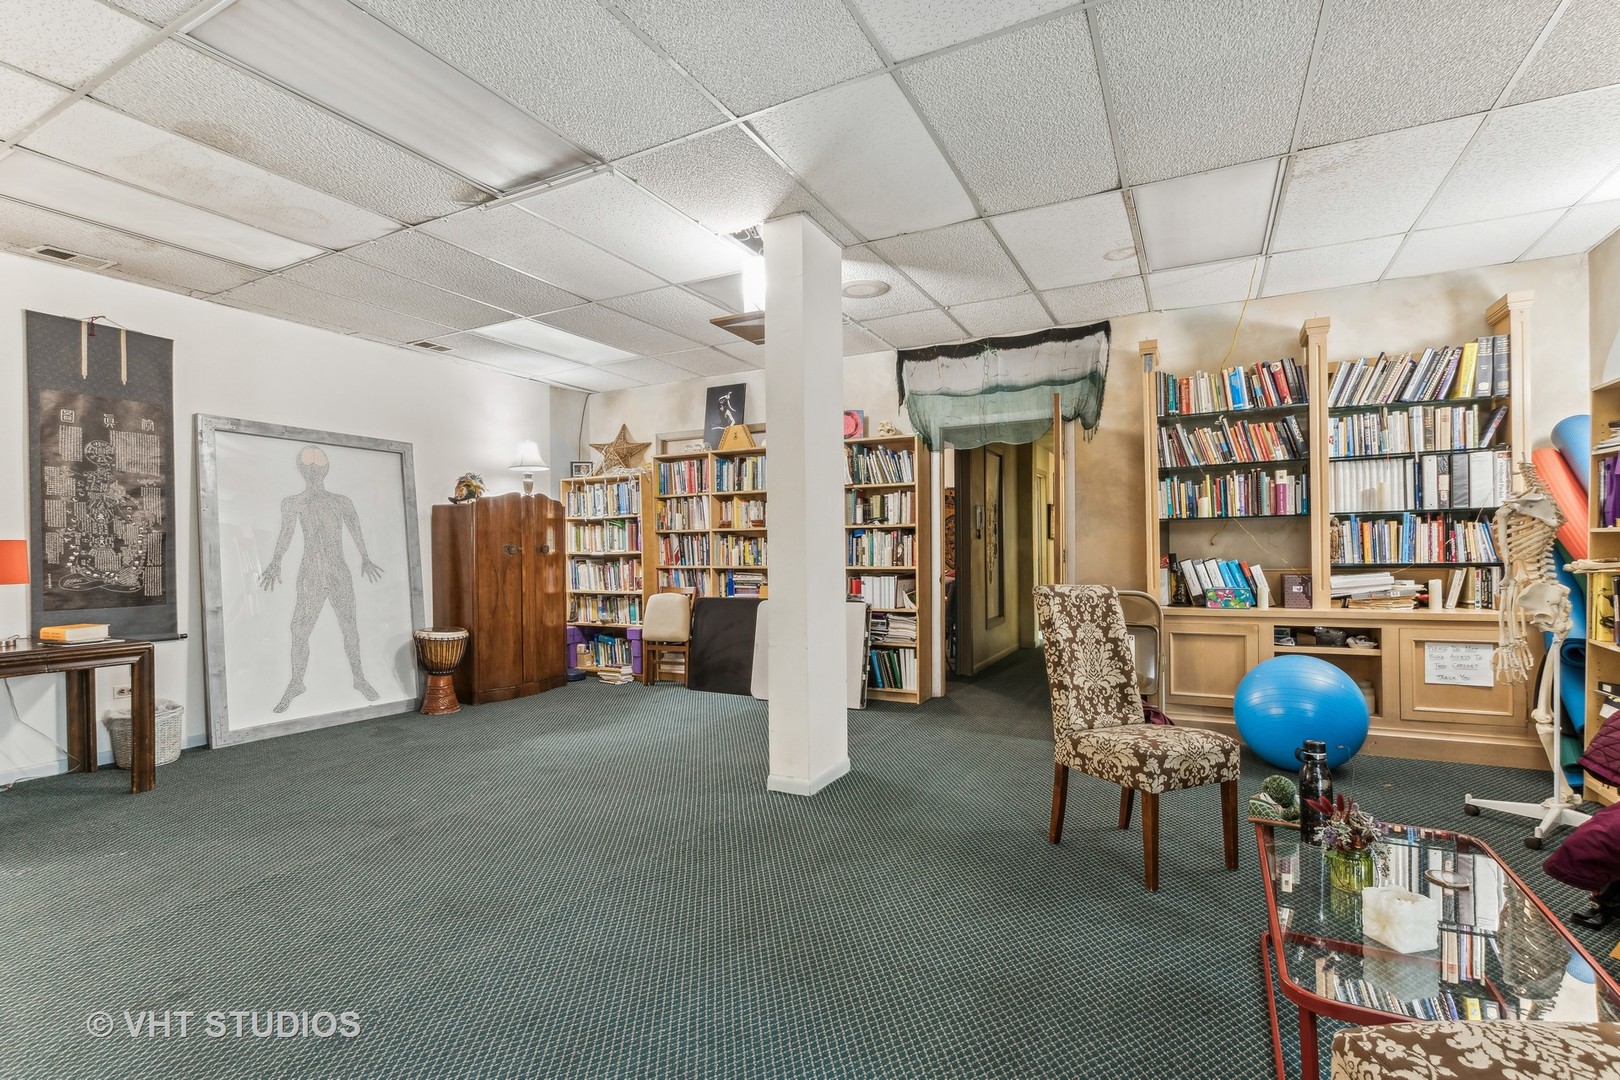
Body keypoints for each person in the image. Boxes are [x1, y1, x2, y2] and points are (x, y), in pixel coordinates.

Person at [259, 446, 383, 713]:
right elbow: (286, 533)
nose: (314, 472)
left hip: (338, 570)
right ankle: (296, 682)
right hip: (311, 572)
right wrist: (276, 560)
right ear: (302, 470)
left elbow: (355, 529)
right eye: (309, 467)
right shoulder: (293, 503)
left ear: (326, 469)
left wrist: (365, 557)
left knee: (349, 625)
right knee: (299, 629)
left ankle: (359, 678)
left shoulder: (341, 502)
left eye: (318, 467)